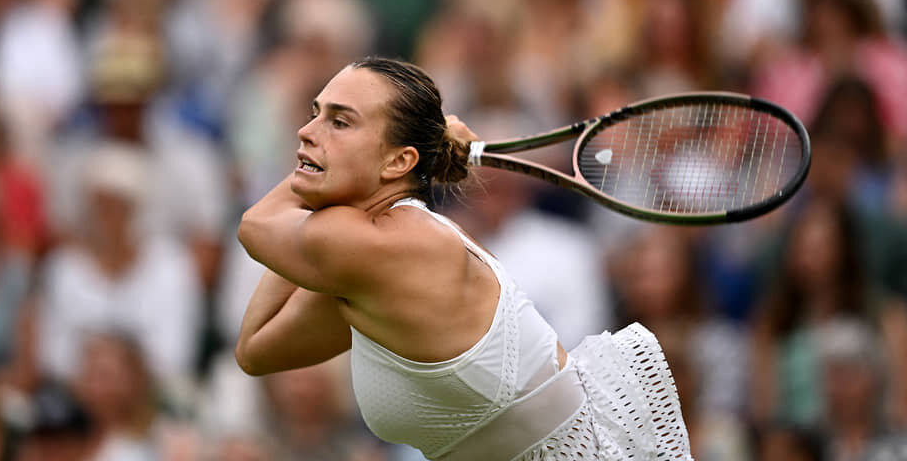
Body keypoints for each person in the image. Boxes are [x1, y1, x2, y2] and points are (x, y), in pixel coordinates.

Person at [235, 57, 692, 460]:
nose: (306, 131)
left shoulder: (396, 246)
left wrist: (316, 185)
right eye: (315, 113)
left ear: (398, 162)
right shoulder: (358, 261)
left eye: (339, 122)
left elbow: (255, 226)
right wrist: (323, 184)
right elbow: (255, 349)